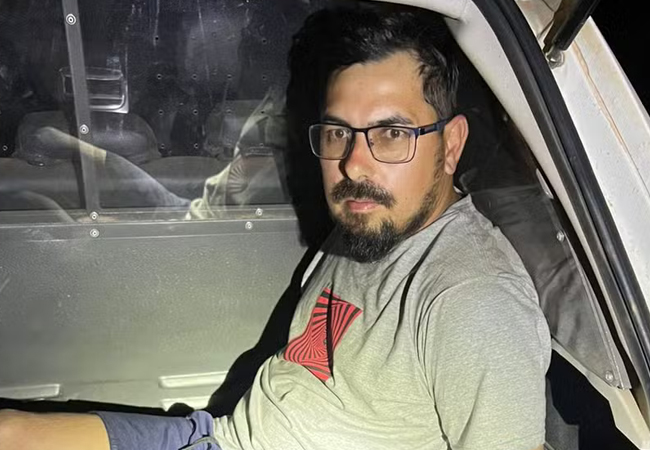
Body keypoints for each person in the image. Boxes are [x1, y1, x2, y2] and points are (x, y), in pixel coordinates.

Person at [0, 4, 551, 450]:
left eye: (391, 134)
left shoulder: (472, 299)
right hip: (219, 434)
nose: (354, 164)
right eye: (338, 133)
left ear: (450, 145)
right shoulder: (370, 224)